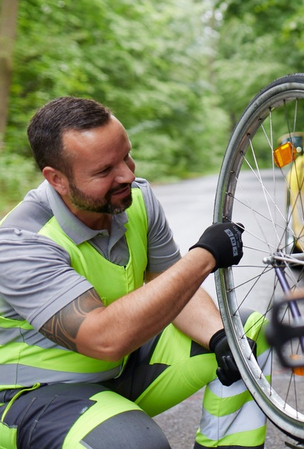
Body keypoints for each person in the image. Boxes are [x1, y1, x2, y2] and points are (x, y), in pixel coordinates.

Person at [0, 97, 269, 449]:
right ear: (57, 180)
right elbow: (104, 339)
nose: (127, 175)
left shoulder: (135, 199)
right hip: (34, 396)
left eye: (126, 156)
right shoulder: (21, 242)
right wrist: (203, 256)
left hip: (119, 371)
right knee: (132, 445)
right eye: (104, 171)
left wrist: (219, 339)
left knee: (243, 335)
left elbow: (169, 285)